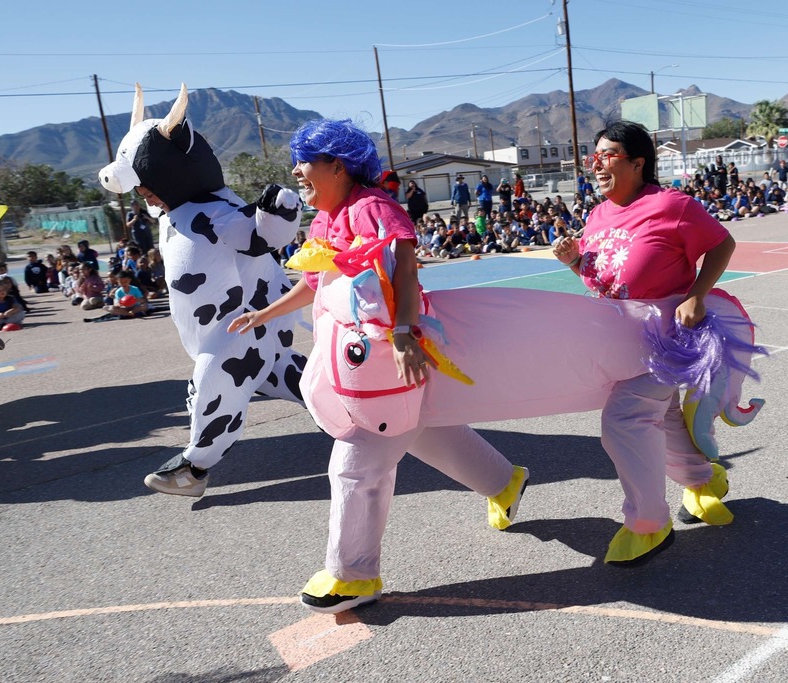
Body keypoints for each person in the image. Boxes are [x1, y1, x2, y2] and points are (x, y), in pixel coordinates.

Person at [227, 118, 528, 615]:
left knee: (358, 460)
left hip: (388, 352)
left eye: (305, 163)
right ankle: (504, 481)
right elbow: (317, 280)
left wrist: (406, 334)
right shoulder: (327, 217)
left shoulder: (372, 209)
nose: (297, 172)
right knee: (426, 430)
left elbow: (405, 270)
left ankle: (353, 574)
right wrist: (266, 312)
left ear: (336, 166)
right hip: (362, 355)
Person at [98, 83, 307, 498]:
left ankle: (194, 468)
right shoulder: (174, 212)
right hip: (222, 330)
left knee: (216, 380)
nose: (143, 192)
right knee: (286, 377)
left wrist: (279, 209)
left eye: (147, 182)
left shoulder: (215, 211)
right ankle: (356, 415)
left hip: (240, 329)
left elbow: (259, 235)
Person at [552, 120, 737, 565]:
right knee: (666, 416)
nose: (596, 163)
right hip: (615, 343)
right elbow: (605, 279)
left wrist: (697, 295)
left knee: (627, 419)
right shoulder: (597, 215)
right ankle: (703, 483)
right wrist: (576, 260)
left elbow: (722, 243)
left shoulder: (671, 205)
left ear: (638, 162)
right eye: (593, 154)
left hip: (664, 340)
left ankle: (648, 524)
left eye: (608, 154)